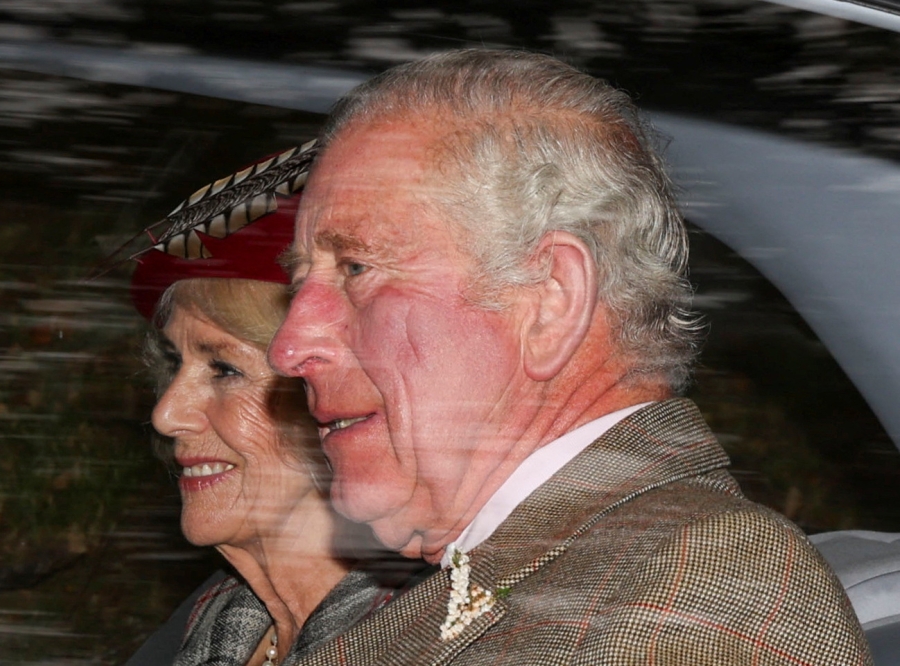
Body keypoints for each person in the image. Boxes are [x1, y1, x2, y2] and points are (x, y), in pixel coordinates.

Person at [267, 50, 873, 664]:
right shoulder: (567, 578)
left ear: (551, 300)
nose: (288, 348)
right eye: (300, 285)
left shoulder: (696, 599)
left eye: (357, 268)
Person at [122, 143, 407, 666]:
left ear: (340, 397)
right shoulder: (200, 626)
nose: (166, 414)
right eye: (174, 364)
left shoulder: (445, 637)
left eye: (225, 370)